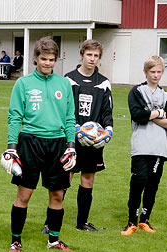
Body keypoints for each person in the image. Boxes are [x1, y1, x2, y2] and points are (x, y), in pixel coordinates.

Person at [1, 37, 76, 252]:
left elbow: (70, 118)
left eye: (52, 60)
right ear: (35, 58)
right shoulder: (23, 84)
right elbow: (15, 116)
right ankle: (16, 242)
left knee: (57, 196)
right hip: (30, 142)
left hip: (57, 144)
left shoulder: (64, 84)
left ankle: (54, 240)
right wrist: (12, 146)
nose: (47, 63)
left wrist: (70, 145)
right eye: (44, 59)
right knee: (24, 195)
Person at [121, 55, 167, 235]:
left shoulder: (165, 95)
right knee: (138, 182)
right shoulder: (136, 91)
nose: (156, 75)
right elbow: (137, 115)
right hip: (140, 145)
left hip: (160, 147)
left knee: (152, 184)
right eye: (152, 72)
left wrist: (153, 114)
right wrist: (160, 113)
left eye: (159, 72)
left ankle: (145, 220)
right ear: (146, 72)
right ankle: (131, 222)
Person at [63, 39, 113, 232]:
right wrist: (75, 128)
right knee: (66, 178)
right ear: (82, 54)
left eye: (96, 56)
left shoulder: (103, 83)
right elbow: (64, 109)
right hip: (71, 138)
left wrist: (108, 130)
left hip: (93, 141)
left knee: (88, 180)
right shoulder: (69, 79)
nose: (92, 59)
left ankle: (82, 223)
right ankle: (50, 222)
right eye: (89, 55)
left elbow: (107, 111)